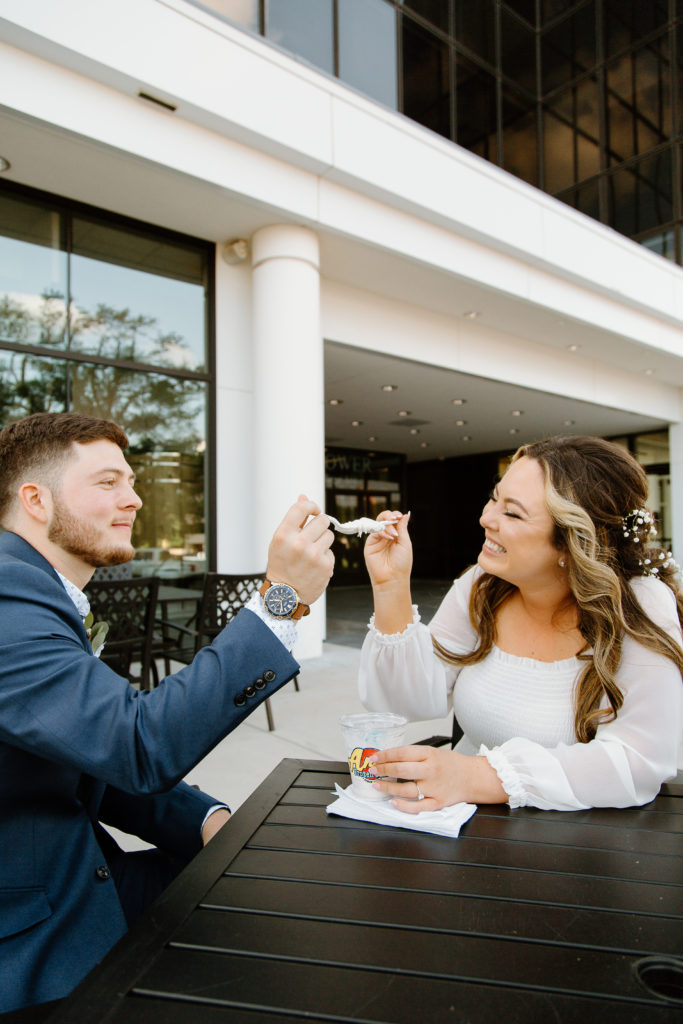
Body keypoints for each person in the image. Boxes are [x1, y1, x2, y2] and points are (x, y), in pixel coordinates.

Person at [0, 412, 334, 1013]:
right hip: (25, 926)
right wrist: (279, 602)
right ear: (35, 500)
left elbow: (89, 751)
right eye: (107, 483)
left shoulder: (38, 588)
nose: (133, 499)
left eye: (131, 482)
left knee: (271, 884)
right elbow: (135, 743)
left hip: (72, 867)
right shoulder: (7, 595)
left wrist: (204, 819)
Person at [358, 435, 683, 814]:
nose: (486, 518)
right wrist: (391, 585)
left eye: (512, 513)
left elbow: (640, 761)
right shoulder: (481, 586)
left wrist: (478, 776)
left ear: (572, 542)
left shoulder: (640, 605)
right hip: (464, 829)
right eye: (495, 498)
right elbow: (404, 702)